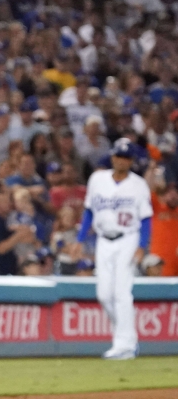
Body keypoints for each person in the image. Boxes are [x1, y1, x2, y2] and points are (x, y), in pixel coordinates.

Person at [77, 138, 152, 360]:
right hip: (103, 240)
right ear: (112, 157)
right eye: (119, 156)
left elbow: (147, 219)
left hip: (128, 238)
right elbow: (89, 211)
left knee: (121, 293)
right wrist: (81, 238)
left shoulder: (138, 184)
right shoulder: (97, 179)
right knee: (103, 295)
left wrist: (142, 246)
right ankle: (127, 338)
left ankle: (124, 345)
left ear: (131, 161)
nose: (122, 160)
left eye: (127, 157)